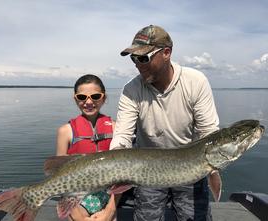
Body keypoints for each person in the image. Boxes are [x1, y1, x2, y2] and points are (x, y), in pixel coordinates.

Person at [110, 25, 219, 221]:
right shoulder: (131, 90)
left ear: (166, 53)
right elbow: (123, 136)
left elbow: (209, 133)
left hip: (191, 167)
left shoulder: (195, 81)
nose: (137, 64)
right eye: (134, 58)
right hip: (146, 169)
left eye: (143, 57)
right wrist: (116, 161)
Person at [56, 74, 117, 221]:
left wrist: (108, 213)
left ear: (104, 97)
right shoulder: (65, 131)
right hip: (75, 202)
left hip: (108, 199)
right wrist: (77, 216)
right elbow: (59, 177)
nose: (88, 102)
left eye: (95, 96)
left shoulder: (116, 128)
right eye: (82, 97)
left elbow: (123, 176)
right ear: (75, 98)